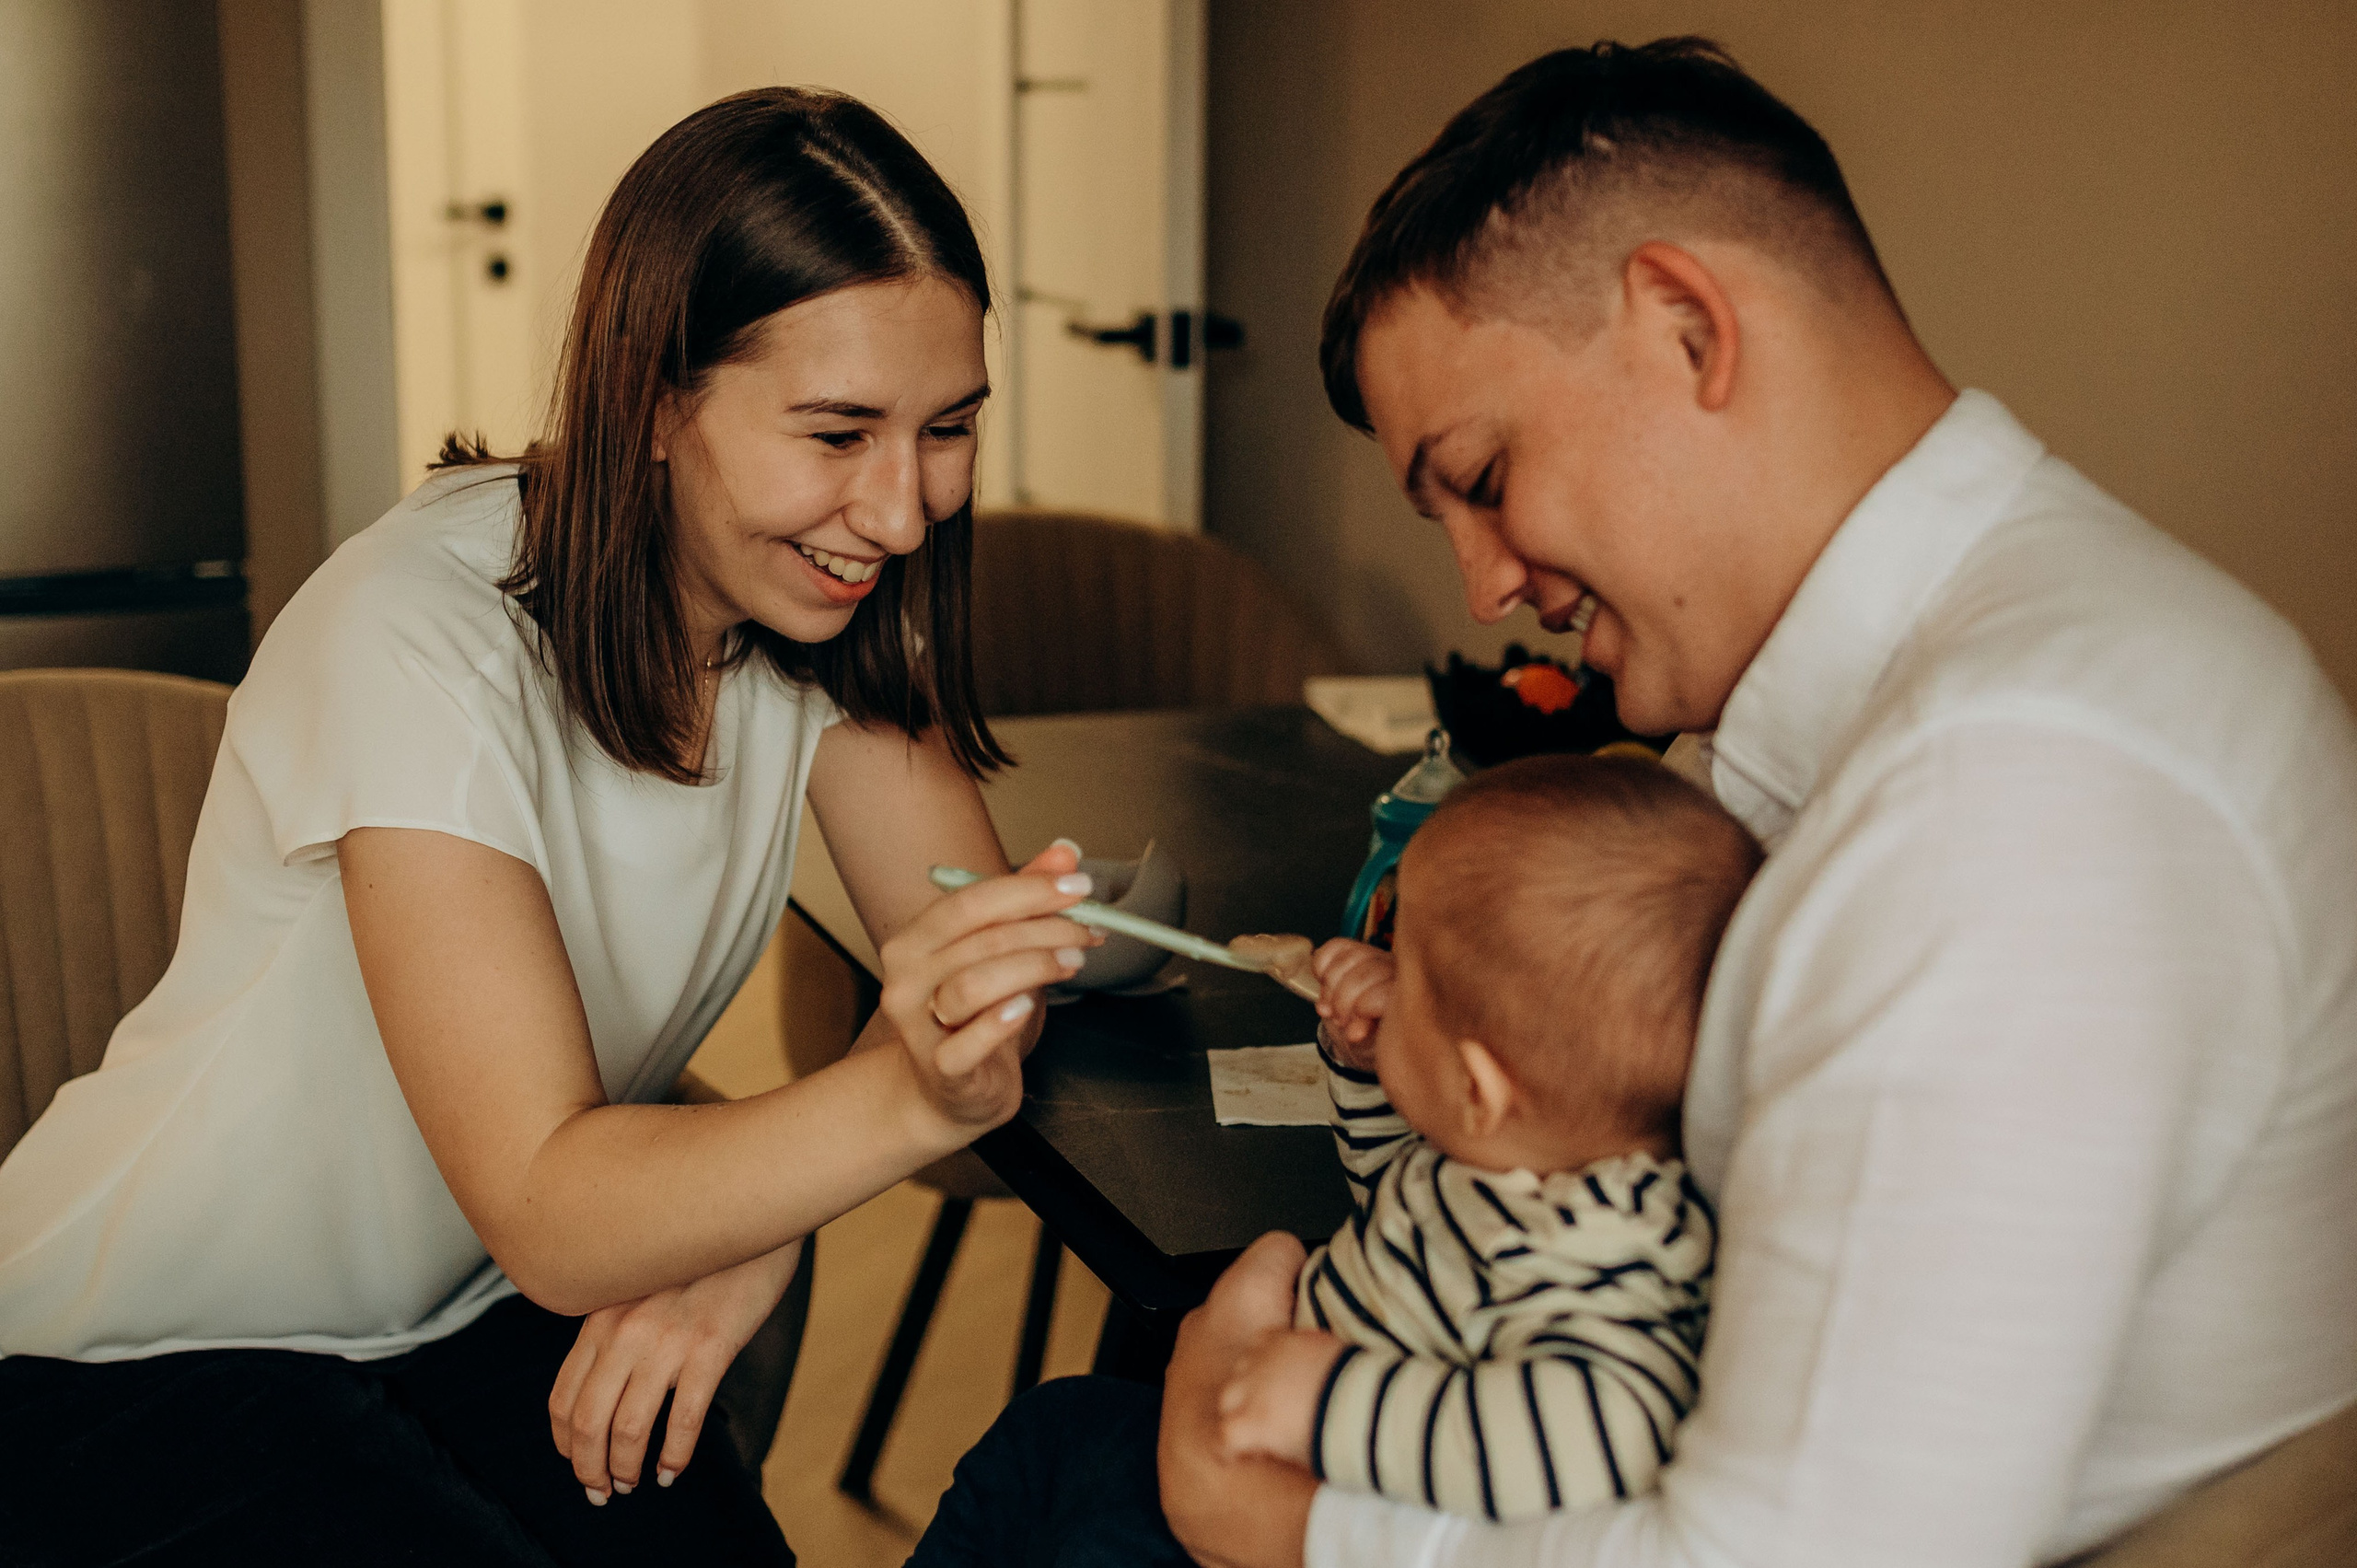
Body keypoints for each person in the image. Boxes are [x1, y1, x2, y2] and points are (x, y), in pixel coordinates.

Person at [928, 35, 2357, 1568]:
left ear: (1687, 327)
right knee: (1067, 1441)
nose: (1482, 582)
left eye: (1482, 474)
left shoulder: (2009, 799)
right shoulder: (1854, 719)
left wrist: (1286, 1522)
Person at [0, 88, 1100, 1566]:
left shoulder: (820, 613)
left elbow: (982, 967)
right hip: (127, 1353)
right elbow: (550, 1203)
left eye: (948, 428)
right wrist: (901, 1102)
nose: (903, 512)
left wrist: (757, 1228)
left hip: (457, 1314)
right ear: (656, 397)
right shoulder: (416, 630)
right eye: (838, 431)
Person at [1216, 754, 1757, 1523]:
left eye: (1408, 970)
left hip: (1315, 1490)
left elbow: (1600, 1431)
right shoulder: (1513, 1164)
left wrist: (1334, 1404)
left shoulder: (1601, 1245)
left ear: (1477, 1091)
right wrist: (1370, 1069)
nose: (1385, 973)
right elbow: (1402, 1216)